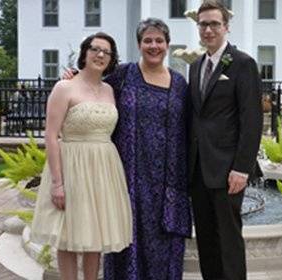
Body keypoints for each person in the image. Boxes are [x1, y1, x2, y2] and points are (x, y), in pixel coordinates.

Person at [64, 18, 191, 280]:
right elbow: (92, 86)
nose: (153, 45)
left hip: (168, 182)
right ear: (139, 45)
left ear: (167, 45)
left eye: (159, 40)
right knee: (126, 240)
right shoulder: (123, 75)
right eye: (147, 40)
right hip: (127, 177)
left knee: (165, 248)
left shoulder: (179, 84)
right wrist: (72, 78)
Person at [30, 32, 133, 280]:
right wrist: (57, 182)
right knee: (68, 234)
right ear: (84, 53)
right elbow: (51, 136)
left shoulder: (110, 89)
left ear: (111, 58)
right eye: (95, 49)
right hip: (72, 165)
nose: (100, 55)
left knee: (94, 233)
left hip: (104, 168)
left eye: (106, 52)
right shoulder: (65, 87)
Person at [188, 1, 263, 280]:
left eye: (214, 24)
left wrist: (242, 168)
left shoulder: (242, 63)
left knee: (228, 239)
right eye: (203, 24)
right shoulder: (195, 66)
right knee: (206, 238)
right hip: (198, 170)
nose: (208, 29)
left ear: (226, 27)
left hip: (228, 169)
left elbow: (252, 119)